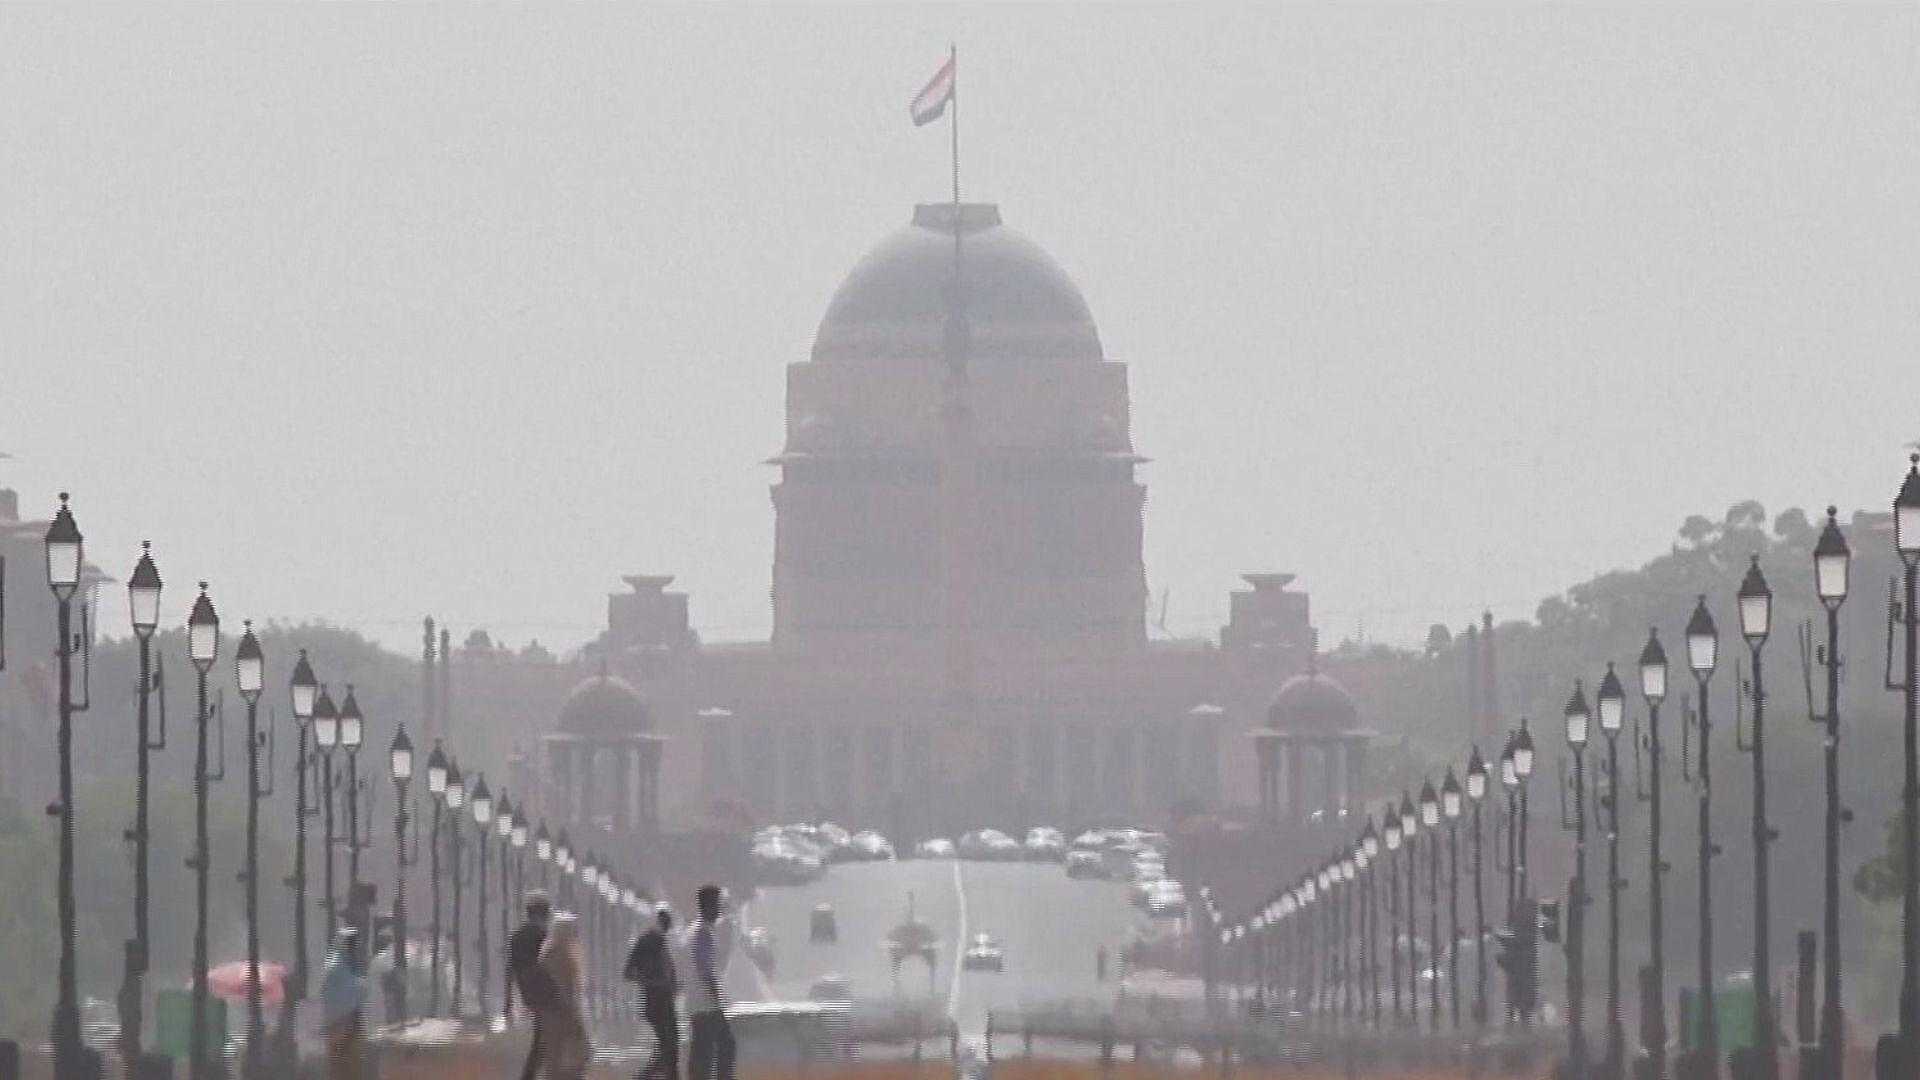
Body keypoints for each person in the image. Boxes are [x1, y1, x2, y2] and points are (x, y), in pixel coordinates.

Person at [684, 885, 736, 1080]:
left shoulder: (694, 930)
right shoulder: (702, 933)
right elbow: (704, 969)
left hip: (697, 1002)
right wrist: (716, 996)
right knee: (724, 1044)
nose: (719, 911)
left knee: (702, 1049)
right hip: (705, 1003)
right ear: (707, 906)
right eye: (716, 905)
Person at [626, 904, 680, 1080]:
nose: (667, 924)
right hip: (656, 1001)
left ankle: (652, 1073)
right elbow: (629, 972)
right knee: (669, 1046)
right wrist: (653, 983)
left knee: (670, 1046)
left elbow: (667, 972)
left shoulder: (662, 942)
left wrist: (673, 984)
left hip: (664, 1000)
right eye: (664, 919)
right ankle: (650, 1074)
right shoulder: (647, 941)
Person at [509, 891, 557, 1080]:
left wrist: (508, 1000)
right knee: (548, 1036)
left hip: (528, 991)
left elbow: (510, 967)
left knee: (543, 1035)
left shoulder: (517, 936)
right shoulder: (543, 935)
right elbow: (550, 964)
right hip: (545, 990)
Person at [540, 913, 593, 1080]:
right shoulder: (559, 956)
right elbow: (562, 987)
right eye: (573, 932)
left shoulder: (553, 954)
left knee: (558, 1058)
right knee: (571, 1056)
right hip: (561, 1013)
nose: (576, 936)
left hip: (556, 1013)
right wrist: (571, 1013)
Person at [321, 927, 368, 1080]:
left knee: (347, 1066)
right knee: (344, 1064)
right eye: (352, 943)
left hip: (344, 1021)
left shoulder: (344, 964)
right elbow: (349, 995)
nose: (355, 947)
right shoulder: (337, 966)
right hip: (342, 1022)